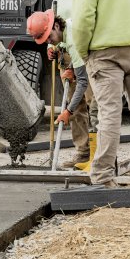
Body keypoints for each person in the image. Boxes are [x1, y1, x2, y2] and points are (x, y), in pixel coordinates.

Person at [72, 0, 130, 188]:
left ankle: (102, 177)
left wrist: (83, 51)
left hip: (105, 53)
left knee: (110, 114)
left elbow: (84, 17)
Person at [47, 0, 98, 169]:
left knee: (94, 106)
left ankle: (98, 156)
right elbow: (52, 32)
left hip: (90, 55)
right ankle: (82, 153)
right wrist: (52, 49)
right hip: (68, 58)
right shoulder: (57, 2)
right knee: (75, 109)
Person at [27, 10, 91, 171]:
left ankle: (100, 159)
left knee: (97, 108)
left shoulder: (74, 40)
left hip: (104, 57)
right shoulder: (64, 32)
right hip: (86, 57)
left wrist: (68, 111)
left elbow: (82, 82)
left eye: (49, 37)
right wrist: (70, 67)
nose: (49, 41)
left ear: (56, 25)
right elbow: (59, 43)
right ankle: (87, 155)